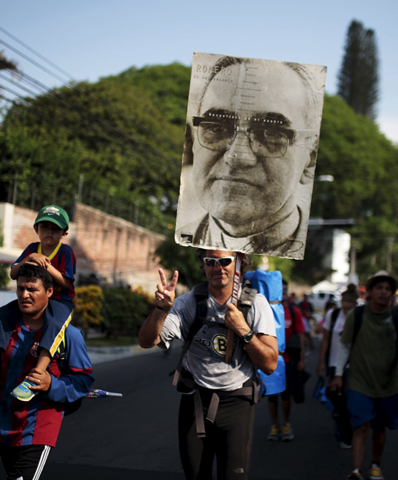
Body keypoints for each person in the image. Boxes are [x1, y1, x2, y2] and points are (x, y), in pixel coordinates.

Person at [138, 249, 278, 480]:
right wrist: (161, 310)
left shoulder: (254, 302)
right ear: (203, 265)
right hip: (196, 400)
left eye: (224, 261)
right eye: (210, 261)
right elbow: (147, 341)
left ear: (238, 263)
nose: (218, 267)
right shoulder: (188, 302)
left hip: (237, 402)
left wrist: (243, 330)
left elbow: (270, 364)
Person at [176, 56, 323, 257]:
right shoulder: (180, 243)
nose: (237, 158)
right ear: (193, 142)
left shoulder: (317, 255)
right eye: (217, 128)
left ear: (309, 160)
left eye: (270, 132)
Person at [0, 264, 93, 480]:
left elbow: (83, 382)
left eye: (32, 289)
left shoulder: (69, 335)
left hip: (38, 429)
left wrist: (50, 384)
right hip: (5, 426)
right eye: (20, 288)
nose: (24, 295)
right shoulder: (5, 329)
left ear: (49, 291)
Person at [0, 205, 77, 401]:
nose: (49, 232)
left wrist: (46, 264)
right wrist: (30, 258)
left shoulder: (65, 252)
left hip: (59, 301)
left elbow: (65, 283)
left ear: (64, 233)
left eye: (55, 229)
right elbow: (13, 273)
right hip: (35, 299)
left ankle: (35, 375)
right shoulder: (32, 249)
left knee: (54, 327)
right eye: (44, 227)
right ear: (36, 229)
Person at [330, 271, 398, 480]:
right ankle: (356, 471)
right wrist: (339, 374)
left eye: (388, 289)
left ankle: (376, 464)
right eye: (379, 288)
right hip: (360, 382)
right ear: (369, 292)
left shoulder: (397, 318)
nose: (384, 292)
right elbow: (345, 347)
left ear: (392, 294)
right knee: (361, 426)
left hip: (387, 384)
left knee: (380, 428)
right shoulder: (357, 315)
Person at [317, 284, 358, 449]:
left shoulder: (358, 316)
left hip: (353, 366)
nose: (346, 305)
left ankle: (347, 435)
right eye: (344, 301)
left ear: (356, 303)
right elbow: (325, 339)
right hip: (334, 364)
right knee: (337, 399)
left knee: (348, 400)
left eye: (350, 302)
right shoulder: (332, 315)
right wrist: (321, 362)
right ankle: (342, 426)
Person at [267, 279, 307, 442]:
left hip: (288, 360)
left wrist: (302, 359)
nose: (282, 291)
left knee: (285, 394)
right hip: (269, 360)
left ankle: (286, 424)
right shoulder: (267, 310)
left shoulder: (293, 310)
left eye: (285, 289)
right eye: (279, 289)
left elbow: (301, 336)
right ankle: (275, 425)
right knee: (271, 395)